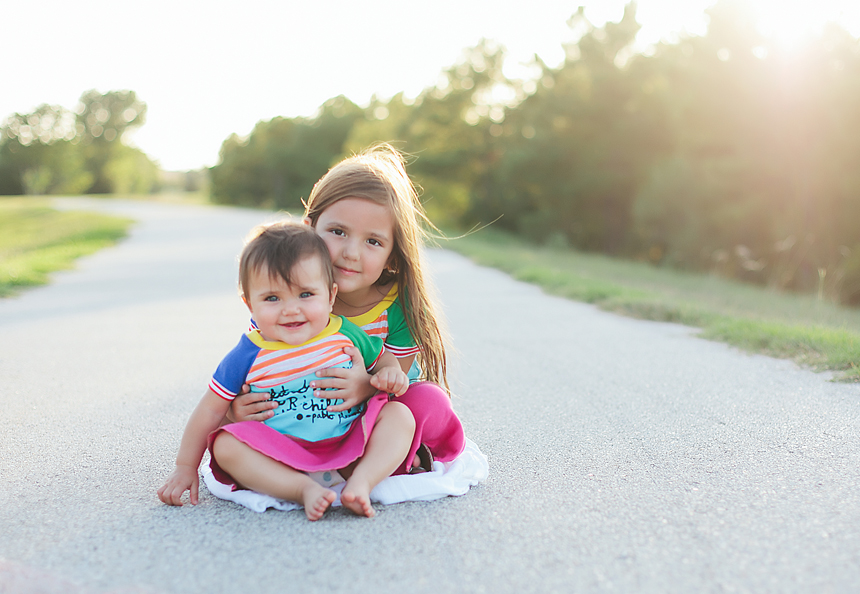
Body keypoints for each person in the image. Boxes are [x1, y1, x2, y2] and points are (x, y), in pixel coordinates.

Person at [230, 144, 466, 477]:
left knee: (429, 401)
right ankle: (365, 461)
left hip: (384, 409)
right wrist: (237, 409)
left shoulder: (402, 307)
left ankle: (393, 454)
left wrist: (367, 385)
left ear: (393, 254)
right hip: (312, 408)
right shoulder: (289, 300)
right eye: (338, 232)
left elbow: (394, 380)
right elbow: (261, 369)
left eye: (373, 241)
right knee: (235, 433)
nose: (351, 253)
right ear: (310, 228)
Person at [158, 222, 414, 520]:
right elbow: (209, 412)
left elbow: (383, 358)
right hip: (281, 456)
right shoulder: (247, 353)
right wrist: (185, 467)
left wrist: (389, 374)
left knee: (399, 415)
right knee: (225, 445)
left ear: (330, 296)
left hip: (349, 446)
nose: (290, 309)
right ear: (249, 304)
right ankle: (301, 489)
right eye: (272, 298)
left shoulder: (344, 333)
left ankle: (361, 483)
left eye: (305, 295)